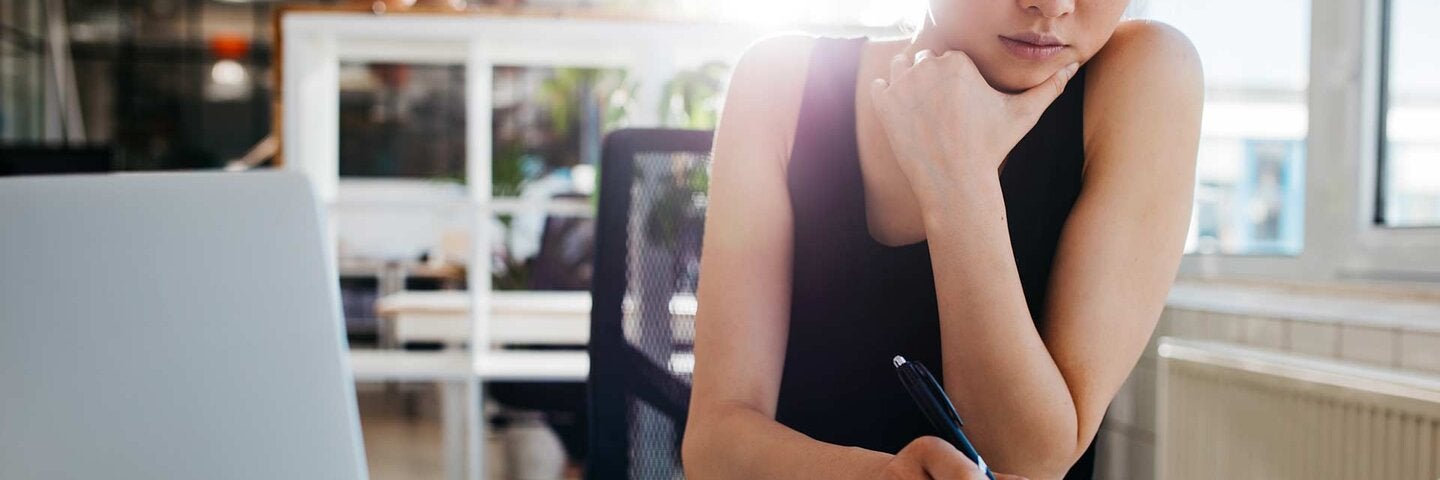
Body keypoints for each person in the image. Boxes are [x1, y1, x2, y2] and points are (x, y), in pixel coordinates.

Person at [681, 0, 1203, 478]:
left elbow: (1025, 462)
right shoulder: (780, 82)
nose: (1053, 4)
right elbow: (715, 443)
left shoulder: (1145, 75)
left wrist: (958, 178)